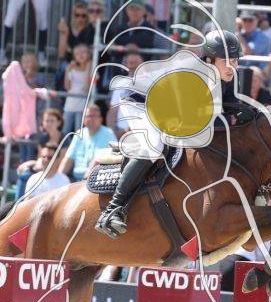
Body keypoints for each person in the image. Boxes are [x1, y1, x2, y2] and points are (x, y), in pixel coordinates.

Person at [94, 33, 240, 237]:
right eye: (226, 61)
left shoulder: (228, 77)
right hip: (139, 102)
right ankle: (112, 210)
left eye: (235, 60)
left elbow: (232, 111)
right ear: (210, 59)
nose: (232, 66)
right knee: (155, 146)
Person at [66, 102, 116, 182]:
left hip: (97, 179)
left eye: (94, 116)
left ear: (101, 119)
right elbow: (68, 159)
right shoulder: (79, 134)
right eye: (88, 116)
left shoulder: (108, 133)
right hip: (75, 179)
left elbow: (114, 157)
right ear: (83, 119)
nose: (90, 119)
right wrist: (59, 177)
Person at [61, 43, 93, 133]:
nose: (80, 55)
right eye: (77, 54)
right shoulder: (72, 69)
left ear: (89, 54)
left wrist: (88, 68)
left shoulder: (92, 69)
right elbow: (67, 87)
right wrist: (67, 70)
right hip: (70, 105)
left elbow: (87, 88)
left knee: (79, 132)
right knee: (65, 131)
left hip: (83, 106)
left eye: (83, 52)